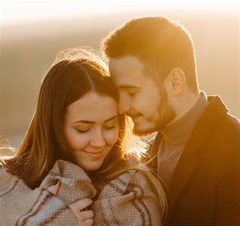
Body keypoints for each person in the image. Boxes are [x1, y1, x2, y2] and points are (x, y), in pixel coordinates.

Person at [0, 47, 167, 225]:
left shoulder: (131, 189)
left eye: (110, 126)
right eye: (83, 129)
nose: (99, 142)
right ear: (54, 127)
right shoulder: (6, 182)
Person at [101, 16, 240, 226]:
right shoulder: (146, 154)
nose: (122, 107)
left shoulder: (234, 149)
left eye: (132, 92)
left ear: (175, 82)